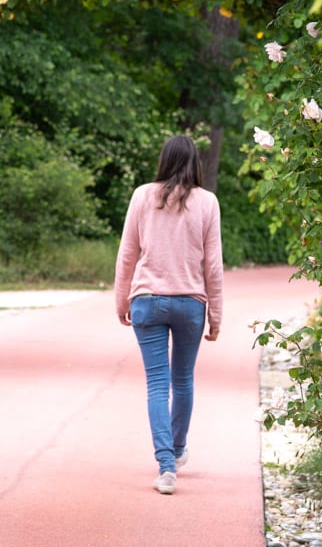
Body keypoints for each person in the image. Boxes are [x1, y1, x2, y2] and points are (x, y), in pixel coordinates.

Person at [114, 134, 224, 495]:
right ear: (195, 163)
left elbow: (127, 254)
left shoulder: (142, 196)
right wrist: (216, 314)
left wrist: (121, 300)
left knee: (158, 384)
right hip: (191, 303)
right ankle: (176, 451)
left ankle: (166, 467)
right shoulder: (207, 202)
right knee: (183, 379)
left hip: (147, 300)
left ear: (164, 160)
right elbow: (213, 265)